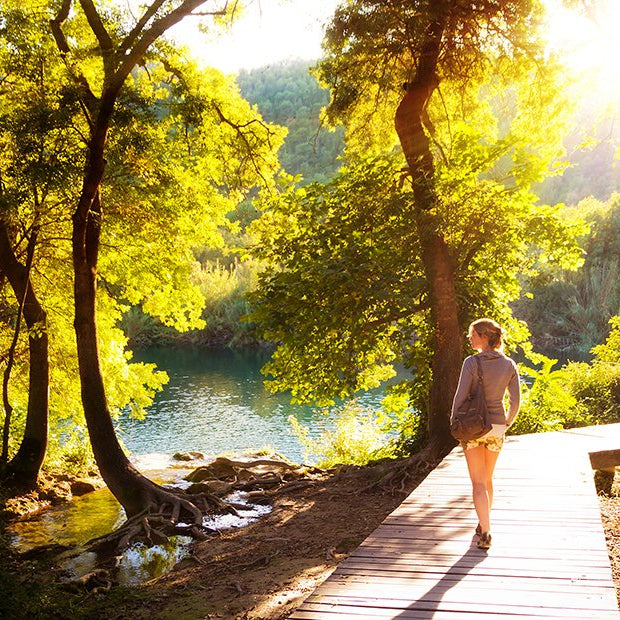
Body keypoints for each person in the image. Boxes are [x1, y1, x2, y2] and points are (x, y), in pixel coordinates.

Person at [451, 318, 520, 550]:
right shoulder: (509, 364)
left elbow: (460, 397)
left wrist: (454, 421)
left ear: (484, 336)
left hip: (473, 427)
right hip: (497, 427)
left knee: (478, 483)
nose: (469, 338)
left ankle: (486, 532)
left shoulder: (471, 363)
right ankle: (483, 524)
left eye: (473, 334)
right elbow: (515, 401)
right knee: (488, 479)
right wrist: (506, 422)